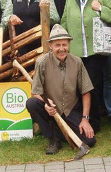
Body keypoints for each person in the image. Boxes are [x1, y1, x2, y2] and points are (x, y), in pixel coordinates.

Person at [61, 0, 111, 132]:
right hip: (76, 52)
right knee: (78, 86)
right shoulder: (70, 0)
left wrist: (101, 8)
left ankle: (93, 123)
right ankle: (81, 120)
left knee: (91, 85)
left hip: (96, 51)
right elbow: (64, 24)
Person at [26, 24, 96, 155]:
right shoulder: (41, 63)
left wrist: (85, 119)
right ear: (51, 46)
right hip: (50, 110)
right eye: (57, 45)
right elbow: (35, 93)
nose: (61, 49)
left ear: (69, 45)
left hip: (70, 109)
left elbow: (86, 92)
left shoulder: (77, 62)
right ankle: (53, 138)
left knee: (90, 140)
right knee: (31, 103)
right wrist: (46, 104)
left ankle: (59, 131)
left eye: (64, 45)